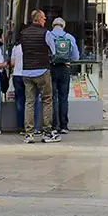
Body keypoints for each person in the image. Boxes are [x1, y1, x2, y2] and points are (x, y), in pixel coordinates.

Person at [19, 10, 59, 143]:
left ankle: (29, 134)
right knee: (47, 100)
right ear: (39, 19)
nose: (45, 20)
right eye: (44, 18)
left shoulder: (23, 33)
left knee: (29, 102)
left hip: (26, 71)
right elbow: (54, 50)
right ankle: (47, 132)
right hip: (42, 70)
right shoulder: (46, 33)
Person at [47, 17, 80, 134]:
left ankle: (54, 126)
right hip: (65, 68)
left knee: (53, 98)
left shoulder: (48, 35)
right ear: (63, 26)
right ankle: (64, 126)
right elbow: (76, 57)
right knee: (63, 98)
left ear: (53, 25)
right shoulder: (69, 37)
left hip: (52, 68)